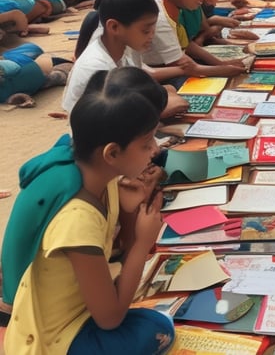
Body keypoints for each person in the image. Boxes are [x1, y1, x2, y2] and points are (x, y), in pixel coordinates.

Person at [2, 66, 175, 354]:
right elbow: (110, 319)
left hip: (78, 315)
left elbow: (118, 254)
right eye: (146, 144)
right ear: (112, 153)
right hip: (52, 341)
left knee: (153, 321)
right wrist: (143, 245)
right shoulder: (77, 218)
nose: (155, 151)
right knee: (158, 329)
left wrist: (131, 212)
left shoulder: (100, 180)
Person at [62, 0, 158, 112]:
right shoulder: (97, 67)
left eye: (153, 29)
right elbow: (116, 117)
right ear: (114, 27)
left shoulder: (127, 45)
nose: (152, 35)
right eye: (146, 31)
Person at [162, 0, 247, 73]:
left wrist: (221, 64)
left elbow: (189, 41)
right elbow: (186, 54)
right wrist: (221, 68)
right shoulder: (164, 16)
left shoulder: (184, 5)